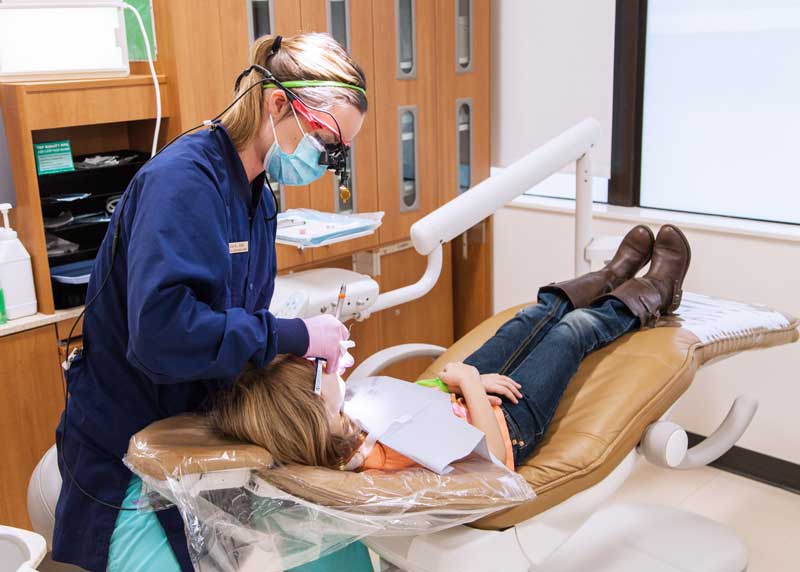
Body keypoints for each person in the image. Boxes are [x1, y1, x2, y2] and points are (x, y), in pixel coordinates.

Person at [53, 33, 372, 572]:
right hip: (128, 454)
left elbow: (231, 323)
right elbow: (163, 334)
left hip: (200, 443)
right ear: (277, 104)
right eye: (328, 139)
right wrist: (293, 335)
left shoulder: (257, 196)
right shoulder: (182, 183)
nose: (328, 158)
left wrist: (296, 355)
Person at [210, 225, 691, 473]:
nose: (330, 365)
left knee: (533, 315)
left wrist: (454, 382)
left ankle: (610, 276)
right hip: (507, 423)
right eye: (321, 367)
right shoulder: (383, 459)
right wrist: (470, 387)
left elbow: (414, 408)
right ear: (315, 403)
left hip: (459, 392)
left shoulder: (345, 424)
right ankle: (656, 294)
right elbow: (497, 461)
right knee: (573, 332)